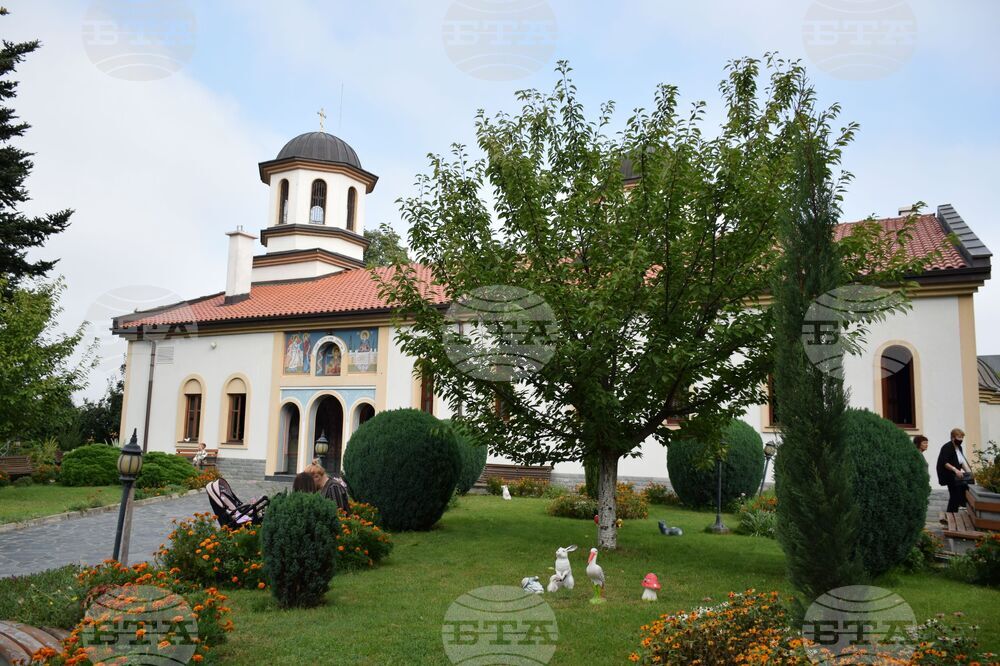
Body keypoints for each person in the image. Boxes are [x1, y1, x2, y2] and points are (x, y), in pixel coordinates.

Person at [936, 428, 972, 514]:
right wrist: (956, 470)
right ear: (953, 437)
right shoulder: (947, 447)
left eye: (962, 437)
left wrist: (969, 472)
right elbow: (945, 463)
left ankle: (953, 513)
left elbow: (961, 461)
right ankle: (950, 515)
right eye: (959, 437)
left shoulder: (959, 447)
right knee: (954, 495)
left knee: (958, 494)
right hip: (948, 474)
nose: (961, 439)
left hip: (956, 475)